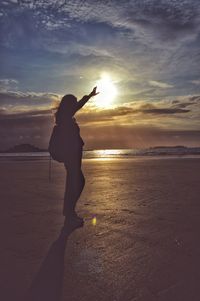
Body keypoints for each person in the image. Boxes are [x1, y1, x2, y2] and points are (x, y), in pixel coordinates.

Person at [54, 87, 99, 232]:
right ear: (68, 105)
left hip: (73, 157)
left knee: (74, 183)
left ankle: (69, 214)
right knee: (77, 183)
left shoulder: (64, 117)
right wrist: (88, 97)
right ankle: (69, 213)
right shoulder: (65, 118)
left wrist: (89, 96)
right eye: (72, 103)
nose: (75, 105)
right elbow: (78, 106)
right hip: (71, 157)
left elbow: (78, 106)